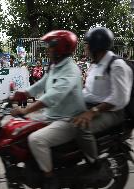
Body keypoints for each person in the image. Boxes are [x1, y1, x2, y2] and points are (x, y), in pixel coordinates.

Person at [11, 30, 86, 189]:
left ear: (59, 49)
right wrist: (21, 94)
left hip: (68, 120)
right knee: (19, 130)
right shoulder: (55, 66)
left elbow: (52, 97)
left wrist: (26, 110)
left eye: (50, 47)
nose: (47, 50)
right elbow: (41, 85)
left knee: (36, 139)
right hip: (52, 116)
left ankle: (50, 178)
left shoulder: (71, 70)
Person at [72, 27, 133, 165]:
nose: (85, 48)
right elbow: (90, 92)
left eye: (87, 44)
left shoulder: (116, 65)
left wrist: (93, 112)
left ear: (95, 46)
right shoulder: (96, 65)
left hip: (113, 112)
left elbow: (119, 98)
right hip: (95, 107)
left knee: (81, 127)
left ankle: (94, 164)